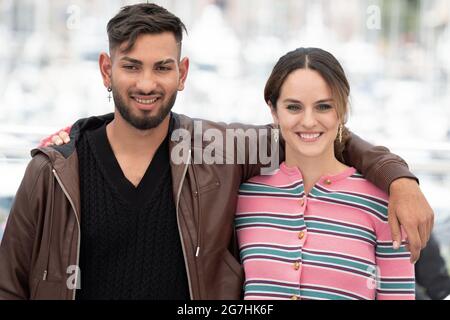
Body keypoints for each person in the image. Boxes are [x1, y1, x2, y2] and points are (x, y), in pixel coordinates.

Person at [0, 3, 433, 300]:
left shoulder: (218, 151)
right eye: (131, 66)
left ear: (183, 73)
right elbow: (9, 285)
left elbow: (312, 133)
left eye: (162, 67)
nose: (147, 83)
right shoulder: (55, 169)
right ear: (106, 70)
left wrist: (399, 179)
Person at [235, 48, 415, 300]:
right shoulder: (244, 197)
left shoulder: (384, 203)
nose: (308, 121)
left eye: (323, 107)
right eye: (294, 107)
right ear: (274, 111)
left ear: (341, 110)